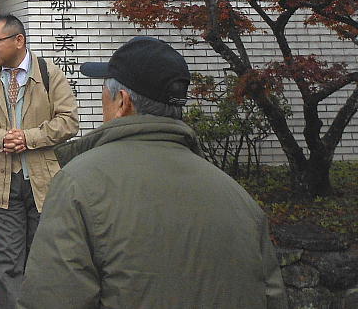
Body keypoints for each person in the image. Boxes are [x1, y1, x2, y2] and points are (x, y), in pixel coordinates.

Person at [19, 36, 287, 309]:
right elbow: (272, 297)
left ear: (122, 102)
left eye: (103, 95)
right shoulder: (237, 197)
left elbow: (52, 298)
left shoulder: (78, 184)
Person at [0, 14, 79, 309]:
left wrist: (29, 138)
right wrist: (2, 137)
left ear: (19, 40)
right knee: (7, 259)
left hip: (43, 181)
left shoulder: (49, 73)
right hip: (0, 179)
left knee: (43, 256)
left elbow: (68, 121)